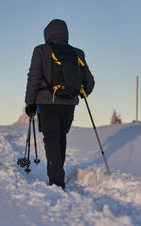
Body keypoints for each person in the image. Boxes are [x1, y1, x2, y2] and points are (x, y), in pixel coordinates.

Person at [25, 19, 95, 189]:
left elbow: (34, 77)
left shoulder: (41, 50)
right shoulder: (77, 53)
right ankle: (58, 175)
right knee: (61, 137)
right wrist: (80, 92)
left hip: (47, 103)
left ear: (47, 34)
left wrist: (30, 103)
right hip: (69, 104)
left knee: (51, 139)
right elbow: (89, 81)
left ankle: (56, 181)